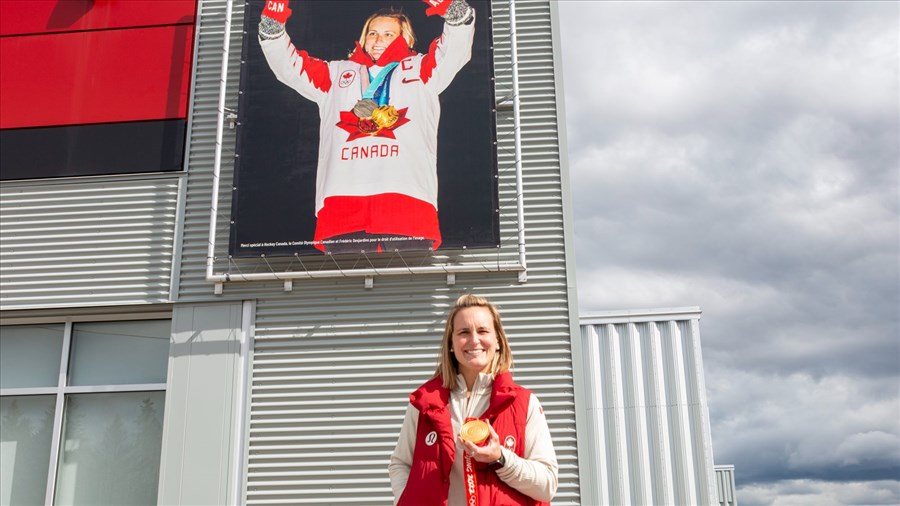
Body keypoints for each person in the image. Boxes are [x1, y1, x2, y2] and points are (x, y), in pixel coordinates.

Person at [258, 0, 476, 254]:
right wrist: (273, 20)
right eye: (372, 33)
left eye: (388, 34)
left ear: (405, 38)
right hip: (342, 203)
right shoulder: (336, 73)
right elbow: (288, 66)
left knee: (409, 277)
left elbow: (456, 48)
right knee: (346, 279)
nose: (378, 39)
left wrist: (453, 9)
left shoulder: (421, 69)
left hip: (406, 201)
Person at [388, 294, 559, 505]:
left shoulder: (525, 403)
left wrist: (501, 458)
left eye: (483, 331)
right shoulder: (424, 404)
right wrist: (407, 500)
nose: (474, 340)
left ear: (498, 341)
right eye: (464, 332)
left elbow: (548, 485)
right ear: (451, 344)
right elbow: (400, 464)